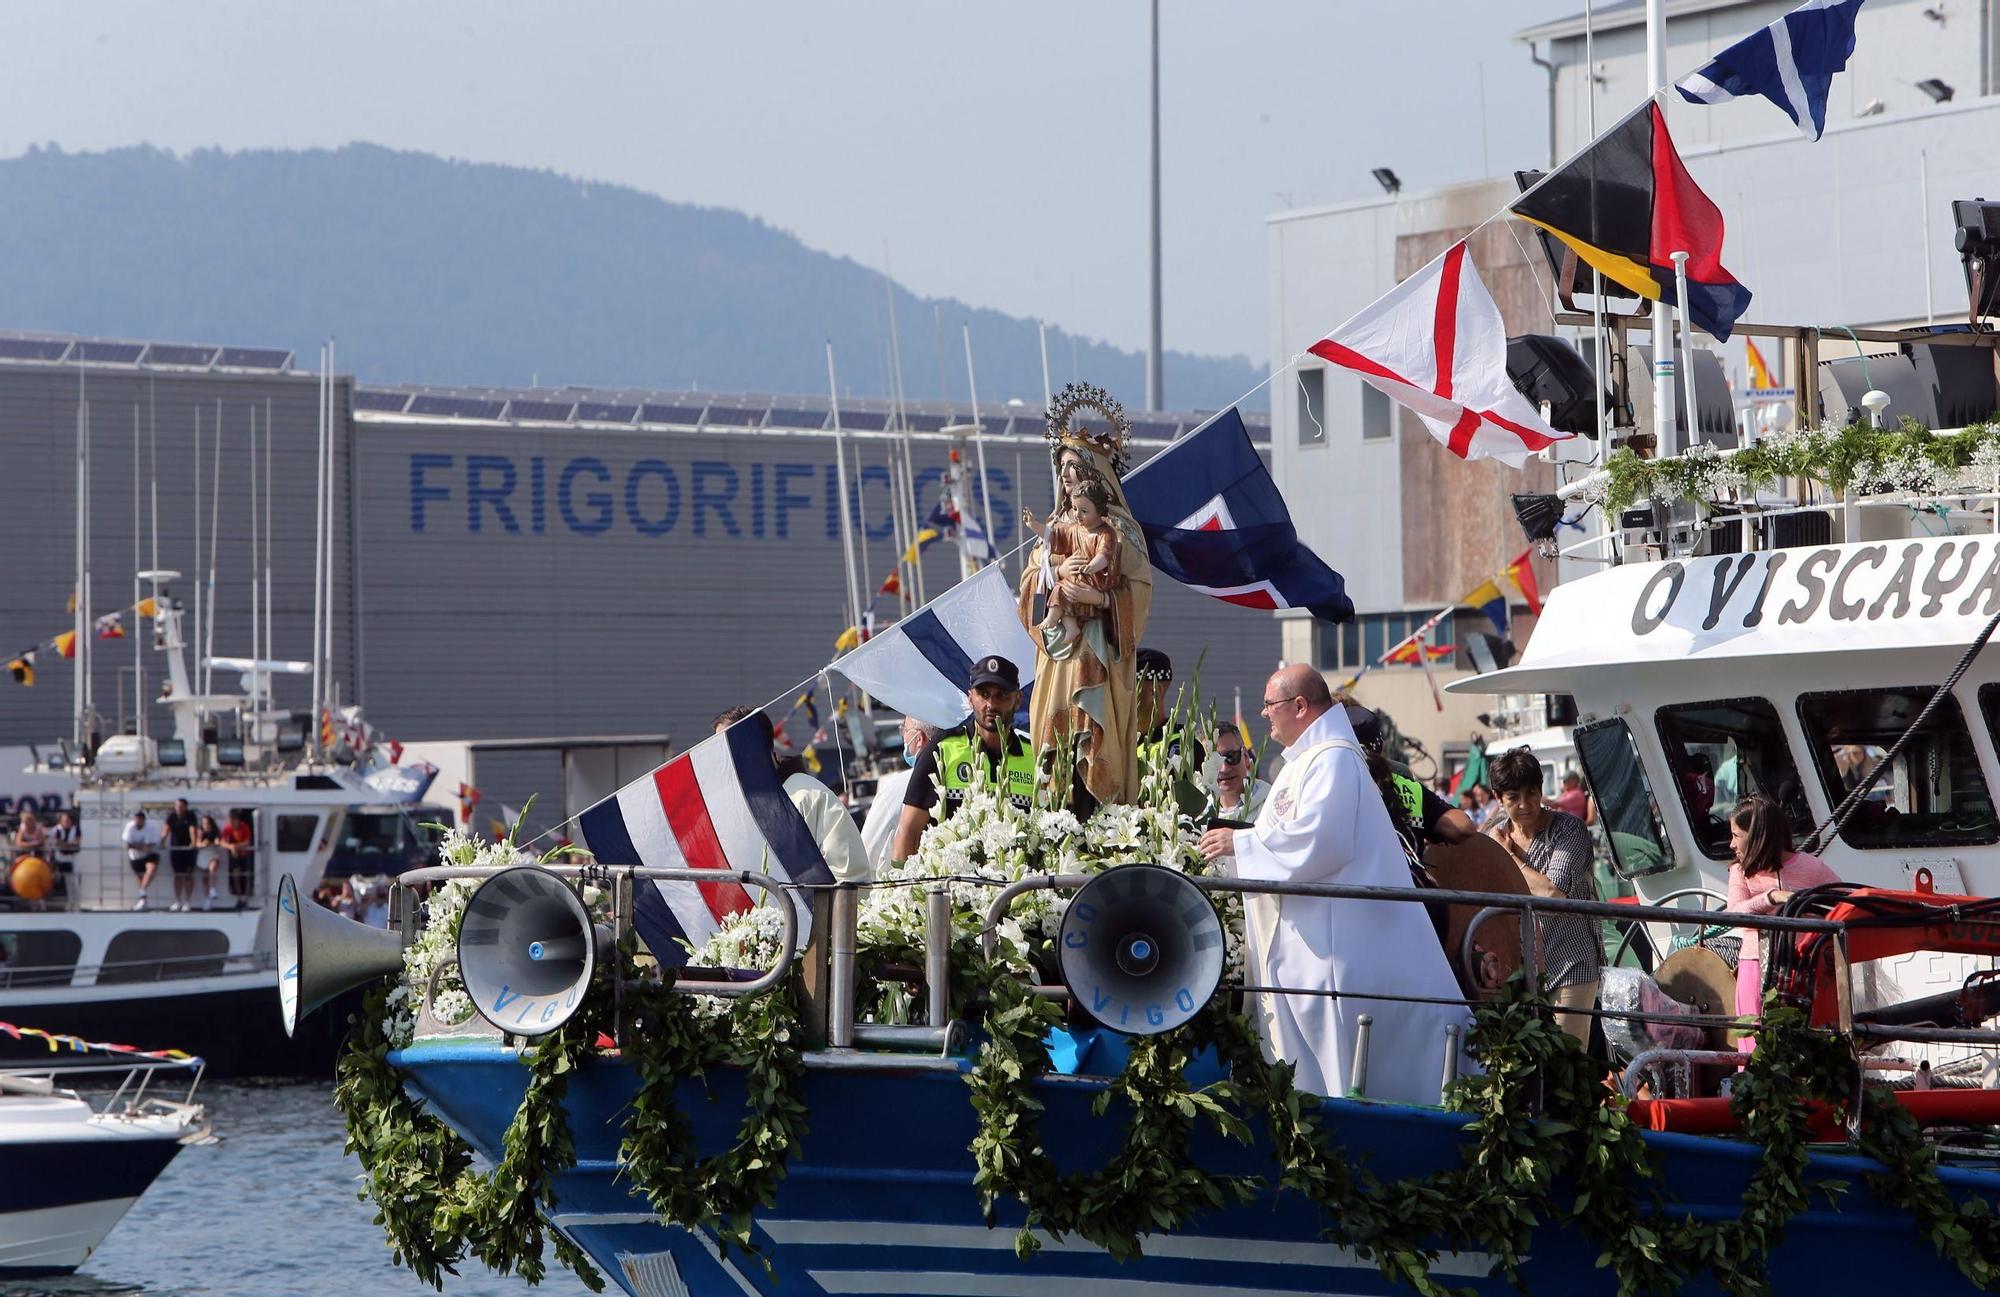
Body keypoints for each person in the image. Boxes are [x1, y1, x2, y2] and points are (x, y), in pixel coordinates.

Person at [1198, 664, 1473, 1103]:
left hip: (1340, 953)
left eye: (1270, 705)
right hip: (1318, 950)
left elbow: (1321, 840)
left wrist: (1241, 843)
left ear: (1300, 706)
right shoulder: (1311, 758)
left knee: (1352, 1073)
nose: (1264, 714)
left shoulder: (1334, 758)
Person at [1016, 429, 1153, 809]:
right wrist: (1056, 572)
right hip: (1058, 652)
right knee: (1053, 739)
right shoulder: (1055, 528)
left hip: (1100, 649)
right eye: (1061, 468)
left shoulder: (1120, 530)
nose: (1064, 476)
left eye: (1072, 466)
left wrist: (1101, 598)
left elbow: (1140, 588)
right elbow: (1028, 583)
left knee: (1095, 729)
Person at [1485, 747, 1601, 1047]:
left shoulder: (1568, 829)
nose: (1525, 805)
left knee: (1567, 1061)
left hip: (1572, 963)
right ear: (1498, 799)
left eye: (1532, 793)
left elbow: (1553, 893)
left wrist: (1508, 857)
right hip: (1518, 971)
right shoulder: (1490, 834)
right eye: (1513, 798)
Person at [1726, 795, 1841, 1055]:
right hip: (1755, 969)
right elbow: (1733, 912)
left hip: (1806, 970)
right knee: (1754, 1049)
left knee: (1811, 1047)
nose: (1732, 844)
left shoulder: (1814, 869)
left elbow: (1843, 906)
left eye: (1736, 835)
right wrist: (1771, 897)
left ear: (1757, 834)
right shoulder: (1740, 871)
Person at [893, 657, 1034, 862]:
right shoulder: (942, 749)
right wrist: (901, 888)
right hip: (952, 888)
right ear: (970, 698)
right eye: (983, 694)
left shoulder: (1035, 756)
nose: (991, 704)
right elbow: (908, 831)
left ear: (1018, 699)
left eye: (1001, 695)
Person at [714, 706, 871, 884]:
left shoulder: (811, 797)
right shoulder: (727, 806)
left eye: (724, 746)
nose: (719, 757)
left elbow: (849, 878)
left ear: (752, 747)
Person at [1339, 699, 1476, 855]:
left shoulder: (1329, 786)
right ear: (1383, 747)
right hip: (1407, 878)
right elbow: (1464, 827)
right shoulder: (1409, 787)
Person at [860, 716, 942, 870]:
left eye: (905, 729)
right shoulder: (966, 774)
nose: (903, 735)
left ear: (919, 739)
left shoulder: (898, 785)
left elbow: (866, 853)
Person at [1202, 722, 1270, 823]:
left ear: (1246, 757)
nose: (1224, 769)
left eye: (1231, 756)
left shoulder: (1271, 803)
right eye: (1214, 762)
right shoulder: (1200, 815)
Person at [163, 797, 199, 912]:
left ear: (185, 807)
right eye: (177, 806)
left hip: (188, 850)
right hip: (176, 850)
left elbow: (192, 829)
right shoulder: (172, 816)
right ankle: (177, 901)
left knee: (188, 875)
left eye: (181, 806)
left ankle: (187, 901)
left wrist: (193, 842)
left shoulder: (190, 815)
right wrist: (162, 841)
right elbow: (166, 829)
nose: (178, 808)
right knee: (177, 876)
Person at [122, 810, 162, 910]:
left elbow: (148, 848)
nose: (137, 822)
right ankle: (143, 900)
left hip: (149, 855)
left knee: (151, 869)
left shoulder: (149, 827)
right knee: (140, 876)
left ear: (144, 820)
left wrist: (136, 845)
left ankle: (142, 892)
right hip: (135, 856)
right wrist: (141, 846)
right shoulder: (130, 827)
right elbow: (128, 845)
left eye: (139, 820)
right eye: (136, 820)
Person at [221, 809, 254, 904]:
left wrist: (236, 846)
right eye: (229, 820)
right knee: (236, 876)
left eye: (233, 820)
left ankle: (246, 898)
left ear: (237, 820)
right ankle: (239, 898)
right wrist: (231, 847)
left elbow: (248, 842)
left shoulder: (244, 827)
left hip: (246, 856)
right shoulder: (227, 828)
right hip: (235, 856)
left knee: (248, 876)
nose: (231, 823)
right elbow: (222, 842)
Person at [47, 809, 79, 902]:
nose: (66, 823)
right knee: (67, 881)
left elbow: (77, 842)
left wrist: (64, 844)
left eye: (68, 820)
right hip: (61, 858)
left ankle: (77, 901)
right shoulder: (57, 830)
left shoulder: (75, 829)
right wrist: (69, 844)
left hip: (73, 858)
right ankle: (70, 901)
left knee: (74, 881)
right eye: (64, 820)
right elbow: (56, 842)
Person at [195, 814, 225, 910]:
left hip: (213, 853)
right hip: (203, 854)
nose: (205, 825)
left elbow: (218, 841)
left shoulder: (216, 831)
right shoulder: (200, 831)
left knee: (212, 869)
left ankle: (213, 889)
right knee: (204, 878)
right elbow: (197, 843)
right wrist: (203, 844)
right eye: (204, 823)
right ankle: (207, 899)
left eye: (207, 823)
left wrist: (214, 843)